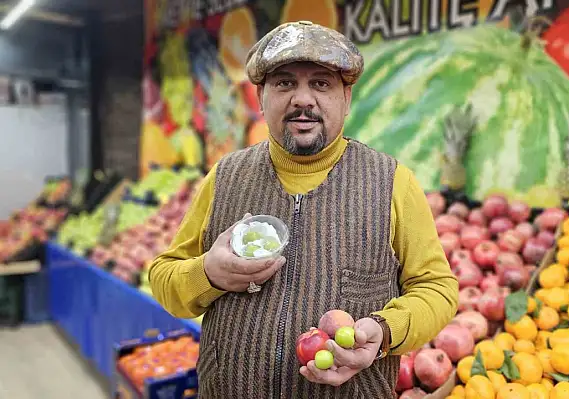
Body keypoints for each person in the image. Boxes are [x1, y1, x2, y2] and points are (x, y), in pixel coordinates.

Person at [149, 20, 458, 399]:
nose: (302, 99)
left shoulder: (393, 182)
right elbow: (164, 278)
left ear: (346, 98)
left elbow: (437, 288)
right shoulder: (225, 177)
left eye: (321, 83)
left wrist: (385, 331)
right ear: (261, 97)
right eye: (284, 83)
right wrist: (207, 273)